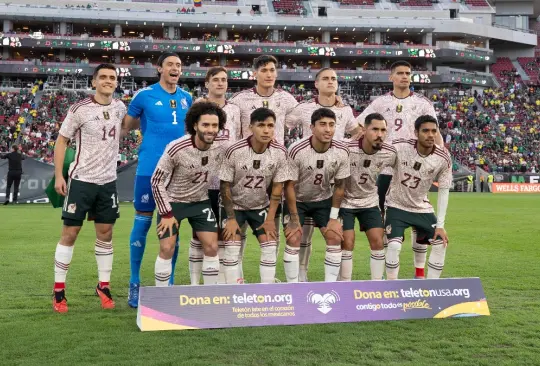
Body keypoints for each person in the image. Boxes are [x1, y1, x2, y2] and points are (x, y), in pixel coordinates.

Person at [51, 64, 127, 313]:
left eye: (112, 78)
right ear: (94, 82)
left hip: (108, 182)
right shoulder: (79, 109)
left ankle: (103, 286)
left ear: (116, 83)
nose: (108, 81)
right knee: (70, 234)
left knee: (106, 234)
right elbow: (62, 141)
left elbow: (128, 126)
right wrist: (58, 176)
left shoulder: (119, 107)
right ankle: (59, 290)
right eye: (103, 77)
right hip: (81, 180)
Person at [355, 60, 442, 279]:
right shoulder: (381, 102)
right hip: (385, 168)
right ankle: (386, 274)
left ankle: (419, 273)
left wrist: (440, 154)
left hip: (415, 169)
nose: (405, 76)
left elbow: (435, 132)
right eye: (400, 73)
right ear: (391, 77)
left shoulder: (422, 103)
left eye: (408, 73)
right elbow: (359, 125)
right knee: (386, 222)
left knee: (419, 218)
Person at [123, 52, 192, 308]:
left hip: (178, 174)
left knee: (172, 228)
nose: (175, 68)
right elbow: (127, 126)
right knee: (141, 223)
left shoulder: (187, 98)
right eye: (171, 64)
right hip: (149, 170)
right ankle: (134, 282)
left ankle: (169, 283)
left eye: (179, 65)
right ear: (159, 68)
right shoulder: (144, 95)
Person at [284, 67, 362, 282]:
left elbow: (357, 133)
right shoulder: (304, 108)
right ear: (316, 84)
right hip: (303, 175)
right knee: (301, 236)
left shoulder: (345, 110)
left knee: (333, 235)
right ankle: (299, 279)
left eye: (334, 79)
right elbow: (282, 125)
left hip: (327, 180)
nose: (330, 82)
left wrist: (349, 145)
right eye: (325, 78)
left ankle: (331, 284)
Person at [228, 55, 298, 282]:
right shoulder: (240, 100)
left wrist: (333, 100)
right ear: (255, 73)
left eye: (272, 70)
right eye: (264, 70)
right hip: (245, 167)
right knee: (237, 231)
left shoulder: (286, 99)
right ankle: (236, 279)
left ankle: (269, 279)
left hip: (274, 167)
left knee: (271, 226)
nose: (269, 74)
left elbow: (306, 116)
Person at [151, 102, 226, 286]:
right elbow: (156, 181)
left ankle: (209, 296)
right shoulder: (176, 148)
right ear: (195, 126)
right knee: (167, 248)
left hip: (200, 202)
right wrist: (166, 214)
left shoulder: (221, 149)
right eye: (206, 125)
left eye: (215, 125)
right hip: (173, 203)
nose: (211, 130)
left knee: (212, 246)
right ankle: (161, 296)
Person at [219, 107, 290, 284]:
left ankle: (266, 290)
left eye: (270, 126)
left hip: (260, 206)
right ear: (251, 127)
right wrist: (231, 218)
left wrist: (270, 219)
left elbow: (277, 189)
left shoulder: (280, 152)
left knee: (270, 245)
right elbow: (225, 185)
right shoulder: (235, 150)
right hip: (233, 206)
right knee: (232, 248)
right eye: (261, 125)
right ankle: (234, 290)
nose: (266, 130)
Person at [283, 108, 350, 282]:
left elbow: (341, 186)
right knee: (294, 236)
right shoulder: (297, 149)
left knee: (335, 236)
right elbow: (288, 186)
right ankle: (293, 285)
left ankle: (330, 286)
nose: (328, 129)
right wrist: (294, 218)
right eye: (322, 125)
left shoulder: (342, 151)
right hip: (297, 200)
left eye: (331, 125)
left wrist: (334, 218)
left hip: (323, 199)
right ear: (311, 127)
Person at [189, 66, 241, 285]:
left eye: (224, 80)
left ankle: (220, 282)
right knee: (199, 236)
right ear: (207, 83)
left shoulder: (236, 110)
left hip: (226, 182)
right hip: (202, 181)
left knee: (223, 235)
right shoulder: (198, 107)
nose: (221, 83)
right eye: (216, 80)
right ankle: (193, 283)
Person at [384, 115, 452, 280]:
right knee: (393, 246)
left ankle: (429, 286)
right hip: (396, 205)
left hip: (422, 207)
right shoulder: (399, 147)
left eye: (434, 131)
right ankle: (391, 287)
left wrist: (440, 226)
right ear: (416, 132)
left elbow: (444, 191)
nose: (430, 135)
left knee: (440, 242)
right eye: (426, 131)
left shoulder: (443, 157)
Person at [340, 113, 397, 281]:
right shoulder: (346, 149)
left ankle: (377, 285)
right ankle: (344, 284)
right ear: (364, 130)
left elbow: (402, 173)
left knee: (378, 242)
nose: (380, 134)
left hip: (369, 202)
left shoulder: (390, 153)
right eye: (375, 129)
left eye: (383, 130)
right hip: (346, 202)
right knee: (347, 243)